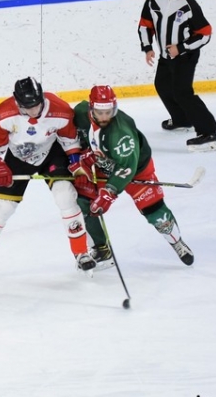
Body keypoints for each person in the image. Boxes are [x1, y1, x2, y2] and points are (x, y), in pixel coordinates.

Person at [0, 77, 96, 277]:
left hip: (52, 154)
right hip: (18, 158)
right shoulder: (4, 114)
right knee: (3, 208)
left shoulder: (60, 109)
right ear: (17, 102)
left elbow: (70, 141)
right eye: (27, 108)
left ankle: (81, 253)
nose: (34, 111)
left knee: (65, 195)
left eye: (36, 105)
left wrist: (77, 168)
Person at [70, 85, 194, 267]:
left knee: (155, 213)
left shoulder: (121, 133)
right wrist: (82, 156)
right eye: (100, 112)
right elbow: (72, 133)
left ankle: (177, 242)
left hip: (136, 170)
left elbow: (127, 168)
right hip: (104, 167)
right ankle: (102, 249)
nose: (105, 117)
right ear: (91, 108)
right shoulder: (80, 112)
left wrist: (108, 194)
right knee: (83, 202)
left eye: (109, 112)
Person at [138, 0, 216, 152]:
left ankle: (208, 133)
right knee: (163, 86)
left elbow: (205, 34)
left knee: (183, 93)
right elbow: (145, 25)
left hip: (185, 57)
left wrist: (180, 48)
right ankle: (181, 120)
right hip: (166, 57)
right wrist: (148, 48)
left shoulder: (189, 5)